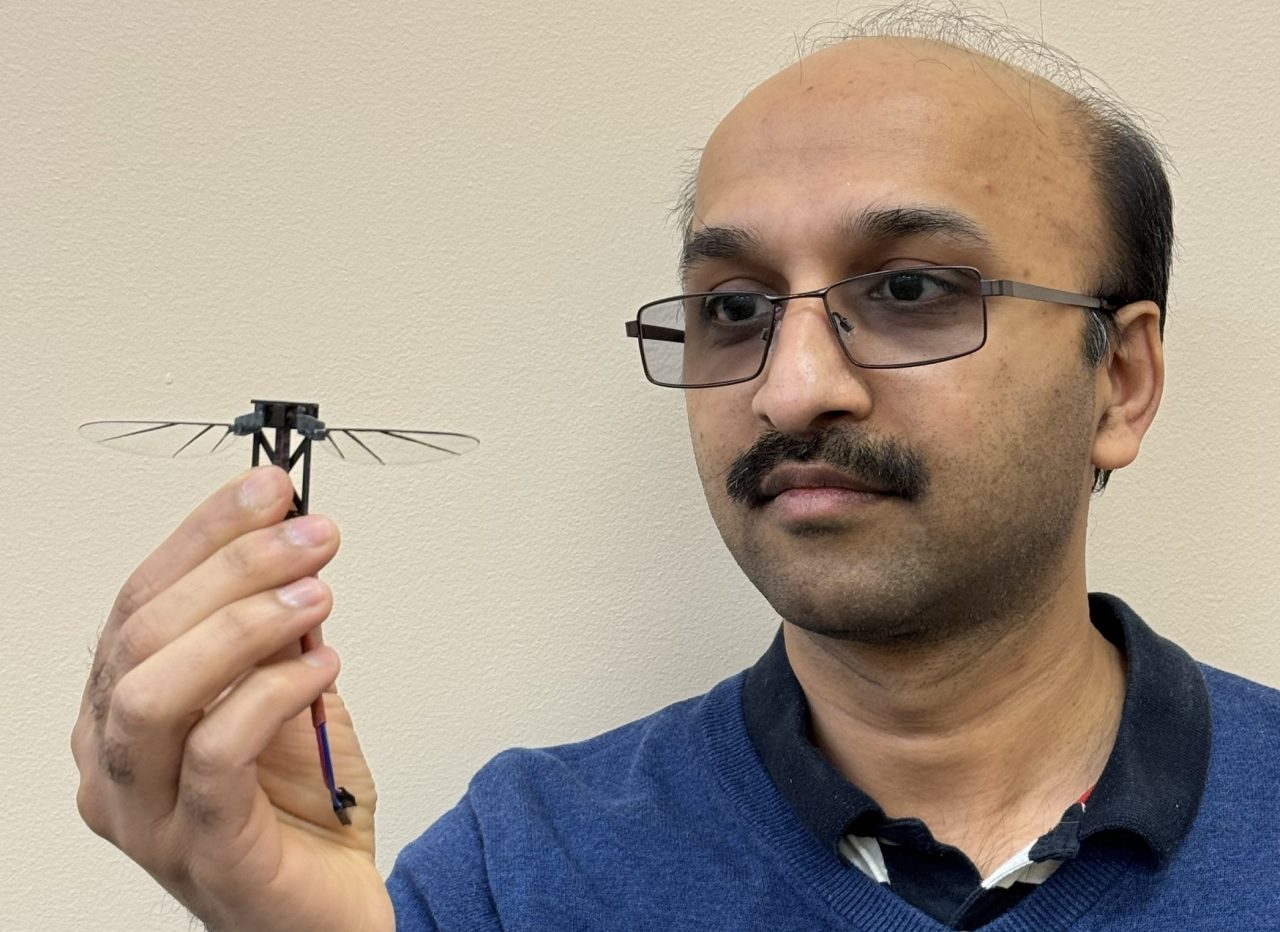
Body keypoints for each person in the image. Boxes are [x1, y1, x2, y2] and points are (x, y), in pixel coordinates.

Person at [72, 10, 1280, 932]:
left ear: (1119, 381)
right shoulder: (511, 870)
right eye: (734, 307)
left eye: (909, 288)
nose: (789, 387)